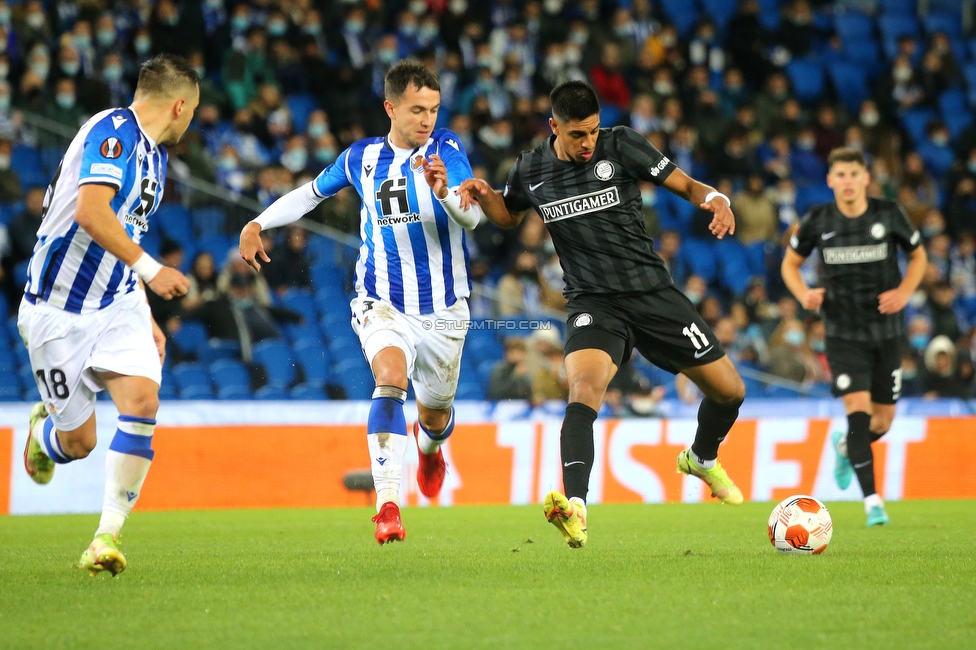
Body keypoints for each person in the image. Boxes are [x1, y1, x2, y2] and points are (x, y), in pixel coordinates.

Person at [458, 80, 747, 548]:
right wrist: (485, 193)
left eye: (592, 132)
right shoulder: (531, 169)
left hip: (653, 295)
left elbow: (689, 186)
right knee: (583, 389)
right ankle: (576, 508)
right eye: (577, 135)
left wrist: (716, 199)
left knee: (730, 392)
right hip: (594, 303)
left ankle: (702, 458)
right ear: (554, 127)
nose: (588, 143)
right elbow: (507, 214)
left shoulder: (623, 144)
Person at [240, 61, 481, 545]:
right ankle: (388, 506)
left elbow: (471, 218)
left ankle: (430, 450)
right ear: (391, 107)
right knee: (389, 379)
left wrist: (446, 195)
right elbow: (310, 195)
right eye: (417, 110)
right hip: (381, 301)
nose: (427, 120)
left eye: (433, 109)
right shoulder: (361, 158)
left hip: (444, 310)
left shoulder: (447, 148)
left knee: (434, 414)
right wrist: (257, 223)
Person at [18, 54, 198, 575]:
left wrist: (145, 311)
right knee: (77, 443)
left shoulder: (156, 159)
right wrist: (152, 271)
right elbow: (90, 212)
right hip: (56, 310)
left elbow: (128, 234)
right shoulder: (112, 130)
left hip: (117, 300)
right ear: (180, 105)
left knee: (143, 400)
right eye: (192, 113)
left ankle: (105, 537)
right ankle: (43, 434)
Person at [781, 147, 928, 527]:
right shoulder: (817, 219)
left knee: (882, 422)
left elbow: (919, 256)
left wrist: (904, 293)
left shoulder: (888, 213)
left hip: (886, 333)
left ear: (866, 178)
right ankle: (873, 502)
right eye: (840, 175)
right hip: (843, 334)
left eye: (853, 174)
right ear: (830, 180)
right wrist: (804, 296)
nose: (847, 181)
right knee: (859, 417)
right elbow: (790, 264)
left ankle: (845, 448)